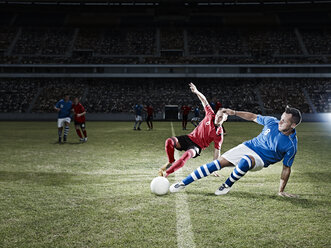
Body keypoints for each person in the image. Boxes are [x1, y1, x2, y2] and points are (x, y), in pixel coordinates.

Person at [170, 106, 301, 198]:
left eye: (284, 121)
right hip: (248, 146)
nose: (280, 121)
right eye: (281, 118)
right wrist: (234, 112)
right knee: (216, 164)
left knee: (246, 161)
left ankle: (226, 185)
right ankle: (182, 183)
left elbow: (286, 168)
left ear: (293, 125)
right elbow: (253, 117)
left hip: (261, 159)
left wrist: (281, 191)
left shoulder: (291, 145)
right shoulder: (272, 121)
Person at [159, 83, 228, 177]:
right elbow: (204, 100)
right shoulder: (210, 115)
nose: (218, 118)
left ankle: (167, 173)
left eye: (221, 117)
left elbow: (217, 151)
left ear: (225, 120)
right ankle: (171, 162)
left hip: (197, 147)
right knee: (169, 141)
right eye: (218, 115)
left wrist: (214, 168)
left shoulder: (219, 134)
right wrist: (196, 91)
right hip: (188, 138)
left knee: (186, 156)